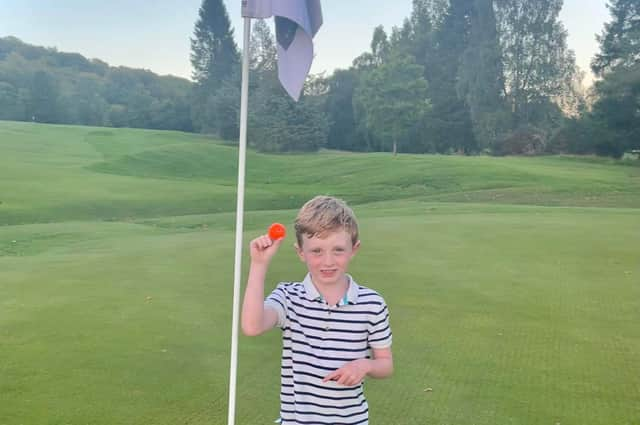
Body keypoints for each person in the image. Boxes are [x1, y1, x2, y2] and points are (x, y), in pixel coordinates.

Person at [241, 195, 393, 425]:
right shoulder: (289, 297)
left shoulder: (372, 304)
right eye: (317, 251)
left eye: (338, 250)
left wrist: (365, 365)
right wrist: (259, 264)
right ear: (300, 252)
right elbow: (252, 327)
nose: (328, 261)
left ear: (354, 249)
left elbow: (385, 364)